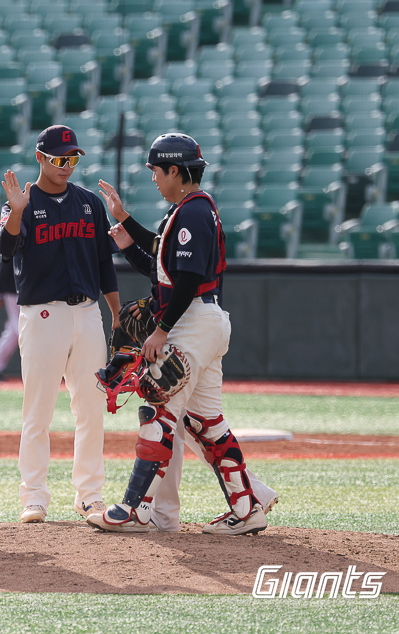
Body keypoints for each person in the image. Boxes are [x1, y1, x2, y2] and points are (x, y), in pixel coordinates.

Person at [87, 133, 278, 535]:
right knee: (206, 422)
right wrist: (125, 226)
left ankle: (134, 509)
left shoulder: (191, 212)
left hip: (192, 322)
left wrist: (161, 329)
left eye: (157, 170)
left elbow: (188, 281)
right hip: (204, 320)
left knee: (157, 406)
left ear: (175, 170)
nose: (154, 178)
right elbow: (164, 267)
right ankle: (248, 509)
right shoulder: (189, 210)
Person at [0, 125, 121, 523]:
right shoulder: (22, 202)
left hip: (87, 313)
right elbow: (5, 248)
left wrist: (116, 313)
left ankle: (90, 495)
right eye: (59, 158)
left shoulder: (88, 203)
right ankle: (34, 496)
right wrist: (15, 211)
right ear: (40, 157)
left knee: (91, 408)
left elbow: (105, 263)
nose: (66, 165)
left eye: (72, 158)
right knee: (38, 411)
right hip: (42, 314)